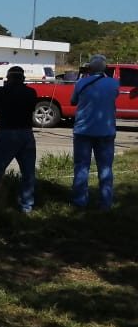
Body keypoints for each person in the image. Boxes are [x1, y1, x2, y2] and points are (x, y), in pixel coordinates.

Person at [0, 66, 38, 213]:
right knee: (28, 172)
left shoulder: (1, 91)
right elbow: (32, 108)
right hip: (26, 133)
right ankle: (27, 205)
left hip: (6, 133)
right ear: (23, 78)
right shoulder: (31, 92)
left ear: (8, 77)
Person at [70, 54, 119, 210]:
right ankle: (105, 202)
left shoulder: (81, 83)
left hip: (83, 131)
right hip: (106, 130)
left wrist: (85, 77)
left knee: (81, 167)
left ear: (89, 68)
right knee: (105, 168)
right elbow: (113, 97)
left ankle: (80, 201)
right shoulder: (113, 83)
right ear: (105, 68)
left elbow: (73, 101)